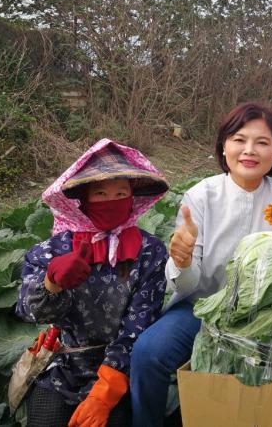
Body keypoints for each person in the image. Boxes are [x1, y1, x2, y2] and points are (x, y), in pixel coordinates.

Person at [129, 102, 272, 426]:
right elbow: (187, 285)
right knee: (148, 353)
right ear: (224, 146)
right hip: (202, 308)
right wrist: (181, 262)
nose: (249, 150)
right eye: (239, 139)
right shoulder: (201, 197)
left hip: (268, 314)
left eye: (262, 142)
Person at [16, 138, 169, 427]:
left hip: (120, 369)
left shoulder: (150, 251)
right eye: (100, 193)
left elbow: (139, 325)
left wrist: (104, 393)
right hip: (62, 365)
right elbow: (28, 312)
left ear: (132, 198)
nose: (112, 201)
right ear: (82, 199)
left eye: (120, 193)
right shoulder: (51, 250)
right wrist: (51, 283)